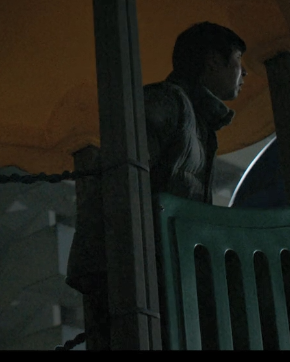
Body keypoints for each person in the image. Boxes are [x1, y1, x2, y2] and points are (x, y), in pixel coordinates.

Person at [65, 21, 246, 347]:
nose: (243, 73)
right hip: (138, 267)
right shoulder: (166, 102)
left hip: (157, 268)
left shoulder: (196, 120)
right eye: (237, 62)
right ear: (213, 62)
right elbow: (123, 183)